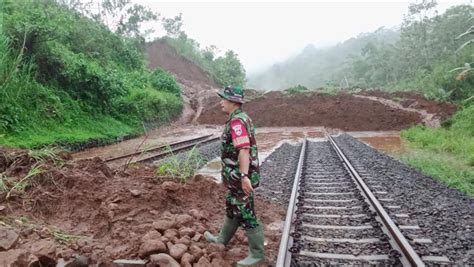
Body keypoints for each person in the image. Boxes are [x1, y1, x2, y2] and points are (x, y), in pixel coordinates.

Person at [204, 86, 265, 266]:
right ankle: (221, 240)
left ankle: (257, 255)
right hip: (235, 178)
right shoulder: (239, 119)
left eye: (223, 99)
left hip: (240, 177)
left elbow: (244, 149)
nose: (221, 102)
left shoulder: (237, 122)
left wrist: (244, 176)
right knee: (232, 206)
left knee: (247, 213)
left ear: (233, 102)